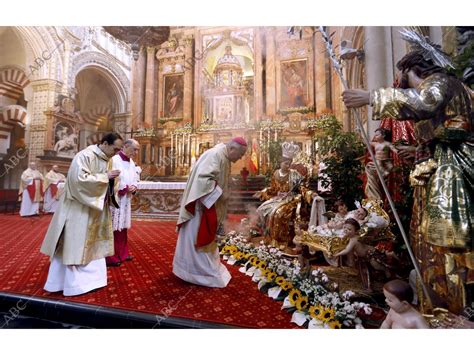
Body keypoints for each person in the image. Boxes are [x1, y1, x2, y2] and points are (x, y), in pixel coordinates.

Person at [342, 43, 473, 313]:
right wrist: (415, 149)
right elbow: (445, 128)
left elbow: (423, 102)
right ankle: (439, 307)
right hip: (442, 167)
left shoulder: (440, 82)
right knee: (429, 238)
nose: (398, 82)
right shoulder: (454, 86)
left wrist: (370, 97)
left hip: (451, 173)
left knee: (443, 239)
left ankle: (451, 312)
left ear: (408, 71)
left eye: (400, 77)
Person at [40, 133, 123, 296]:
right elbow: (78, 181)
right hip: (78, 208)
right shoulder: (84, 156)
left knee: (93, 243)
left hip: (96, 210)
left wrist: (112, 181)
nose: (117, 153)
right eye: (115, 149)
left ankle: (93, 280)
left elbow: (112, 184)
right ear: (105, 143)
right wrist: (106, 177)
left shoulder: (109, 159)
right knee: (74, 243)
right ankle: (72, 284)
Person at [173, 137, 247, 288]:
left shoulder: (223, 156)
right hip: (200, 209)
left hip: (209, 207)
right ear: (232, 149)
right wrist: (222, 191)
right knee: (198, 238)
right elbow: (203, 181)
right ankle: (198, 273)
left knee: (207, 239)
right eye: (239, 155)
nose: (239, 158)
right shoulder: (215, 155)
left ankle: (200, 270)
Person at [106, 139, 140, 267]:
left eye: (137, 150)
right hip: (115, 199)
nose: (136, 152)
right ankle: (111, 257)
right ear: (125, 146)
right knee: (114, 226)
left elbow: (135, 177)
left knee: (123, 226)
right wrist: (124, 187)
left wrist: (134, 186)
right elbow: (110, 178)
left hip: (125, 199)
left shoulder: (131, 162)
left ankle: (123, 253)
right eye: (134, 149)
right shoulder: (114, 160)